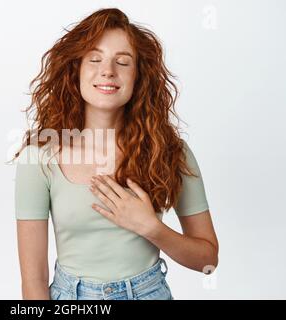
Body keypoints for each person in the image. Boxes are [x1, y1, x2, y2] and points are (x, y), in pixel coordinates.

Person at [11, 8, 219, 300]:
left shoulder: (172, 151)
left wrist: (151, 227)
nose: (108, 70)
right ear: (76, 70)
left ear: (139, 77)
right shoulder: (40, 157)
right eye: (94, 59)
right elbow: (33, 279)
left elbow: (208, 261)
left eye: (123, 62)